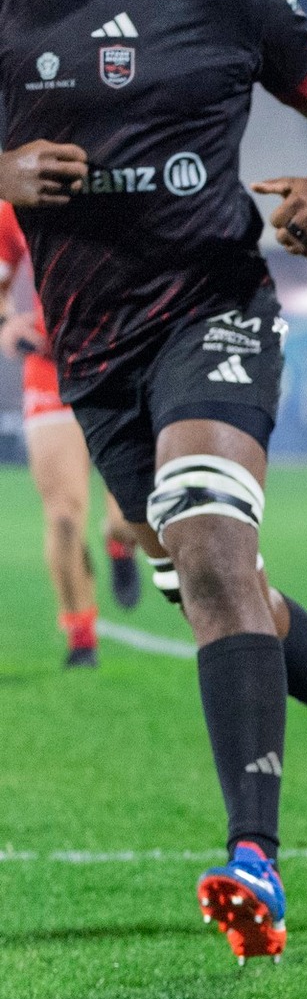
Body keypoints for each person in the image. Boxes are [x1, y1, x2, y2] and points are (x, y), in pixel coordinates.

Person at [0, 0, 307, 962]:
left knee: (208, 541)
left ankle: (255, 858)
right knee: (202, 582)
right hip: (90, 357)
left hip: (213, 312)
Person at [1, 200, 141, 666]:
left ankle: (120, 541)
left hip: (122, 366)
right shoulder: (17, 194)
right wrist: (7, 323)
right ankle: (81, 637)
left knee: (131, 515)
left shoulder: (131, 172)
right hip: (50, 368)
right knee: (62, 515)